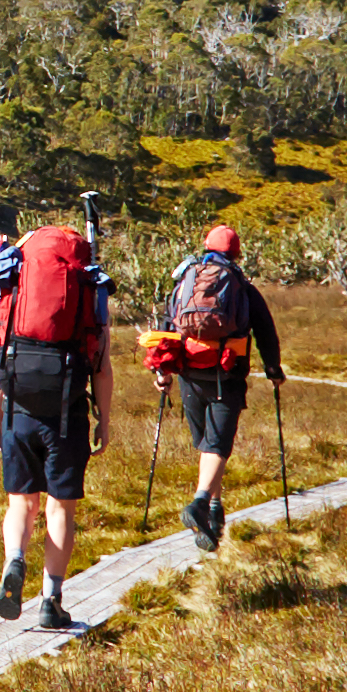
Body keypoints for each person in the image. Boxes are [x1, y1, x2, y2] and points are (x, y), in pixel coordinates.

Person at [0, 207, 109, 629]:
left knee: (21, 502)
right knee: (60, 508)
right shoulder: (87, 288)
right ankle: (50, 600)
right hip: (66, 412)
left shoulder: (16, 282)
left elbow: (0, 351)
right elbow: (101, 366)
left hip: (19, 407)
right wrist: (103, 420)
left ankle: (14, 560)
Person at [144, 216, 286, 551]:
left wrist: (161, 371)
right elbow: (265, 330)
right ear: (236, 254)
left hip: (190, 374)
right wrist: (273, 369)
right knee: (218, 445)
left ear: (206, 248)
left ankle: (213, 514)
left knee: (207, 444)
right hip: (228, 372)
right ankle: (201, 501)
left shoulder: (185, 282)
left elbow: (167, 328)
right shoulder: (241, 286)